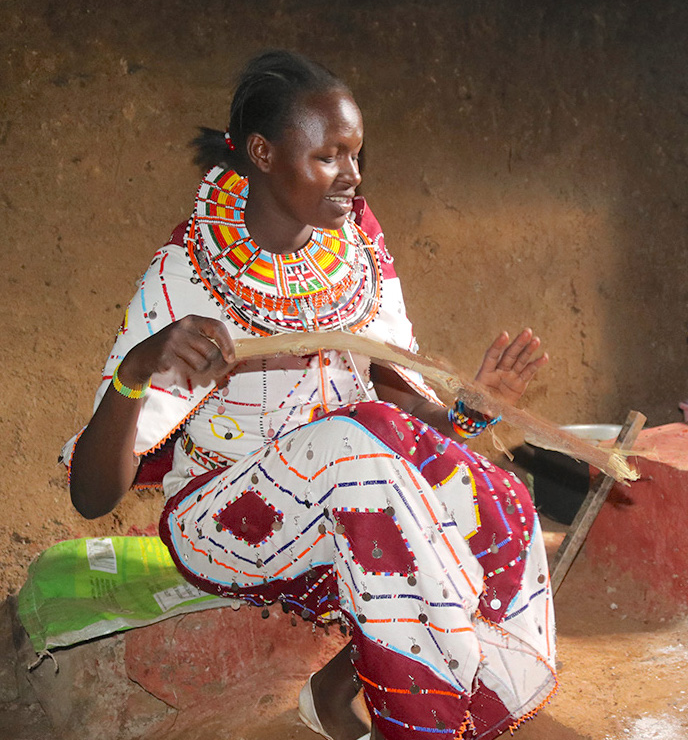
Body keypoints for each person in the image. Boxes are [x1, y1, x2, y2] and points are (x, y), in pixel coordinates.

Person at [63, 50, 557, 740]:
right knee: (358, 440)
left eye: (357, 155)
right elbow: (91, 495)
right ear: (263, 153)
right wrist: (141, 364)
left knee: (489, 493)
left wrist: (476, 406)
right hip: (227, 520)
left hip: (352, 502)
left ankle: (337, 693)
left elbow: (409, 423)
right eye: (331, 157)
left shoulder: (357, 253)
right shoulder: (186, 277)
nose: (353, 177)